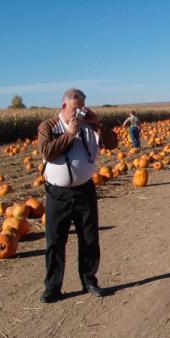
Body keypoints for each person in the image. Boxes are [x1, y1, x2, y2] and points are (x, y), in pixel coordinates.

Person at [37, 88, 118, 303]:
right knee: (55, 240)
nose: (79, 113)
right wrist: (70, 134)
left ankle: (89, 279)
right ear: (64, 106)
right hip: (57, 193)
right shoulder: (49, 126)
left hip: (85, 189)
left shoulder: (90, 126)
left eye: (82, 108)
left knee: (89, 237)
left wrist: (98, 123)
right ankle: (53, 287)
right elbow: (46, 152)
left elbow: (112, 144)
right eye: (75, 108)